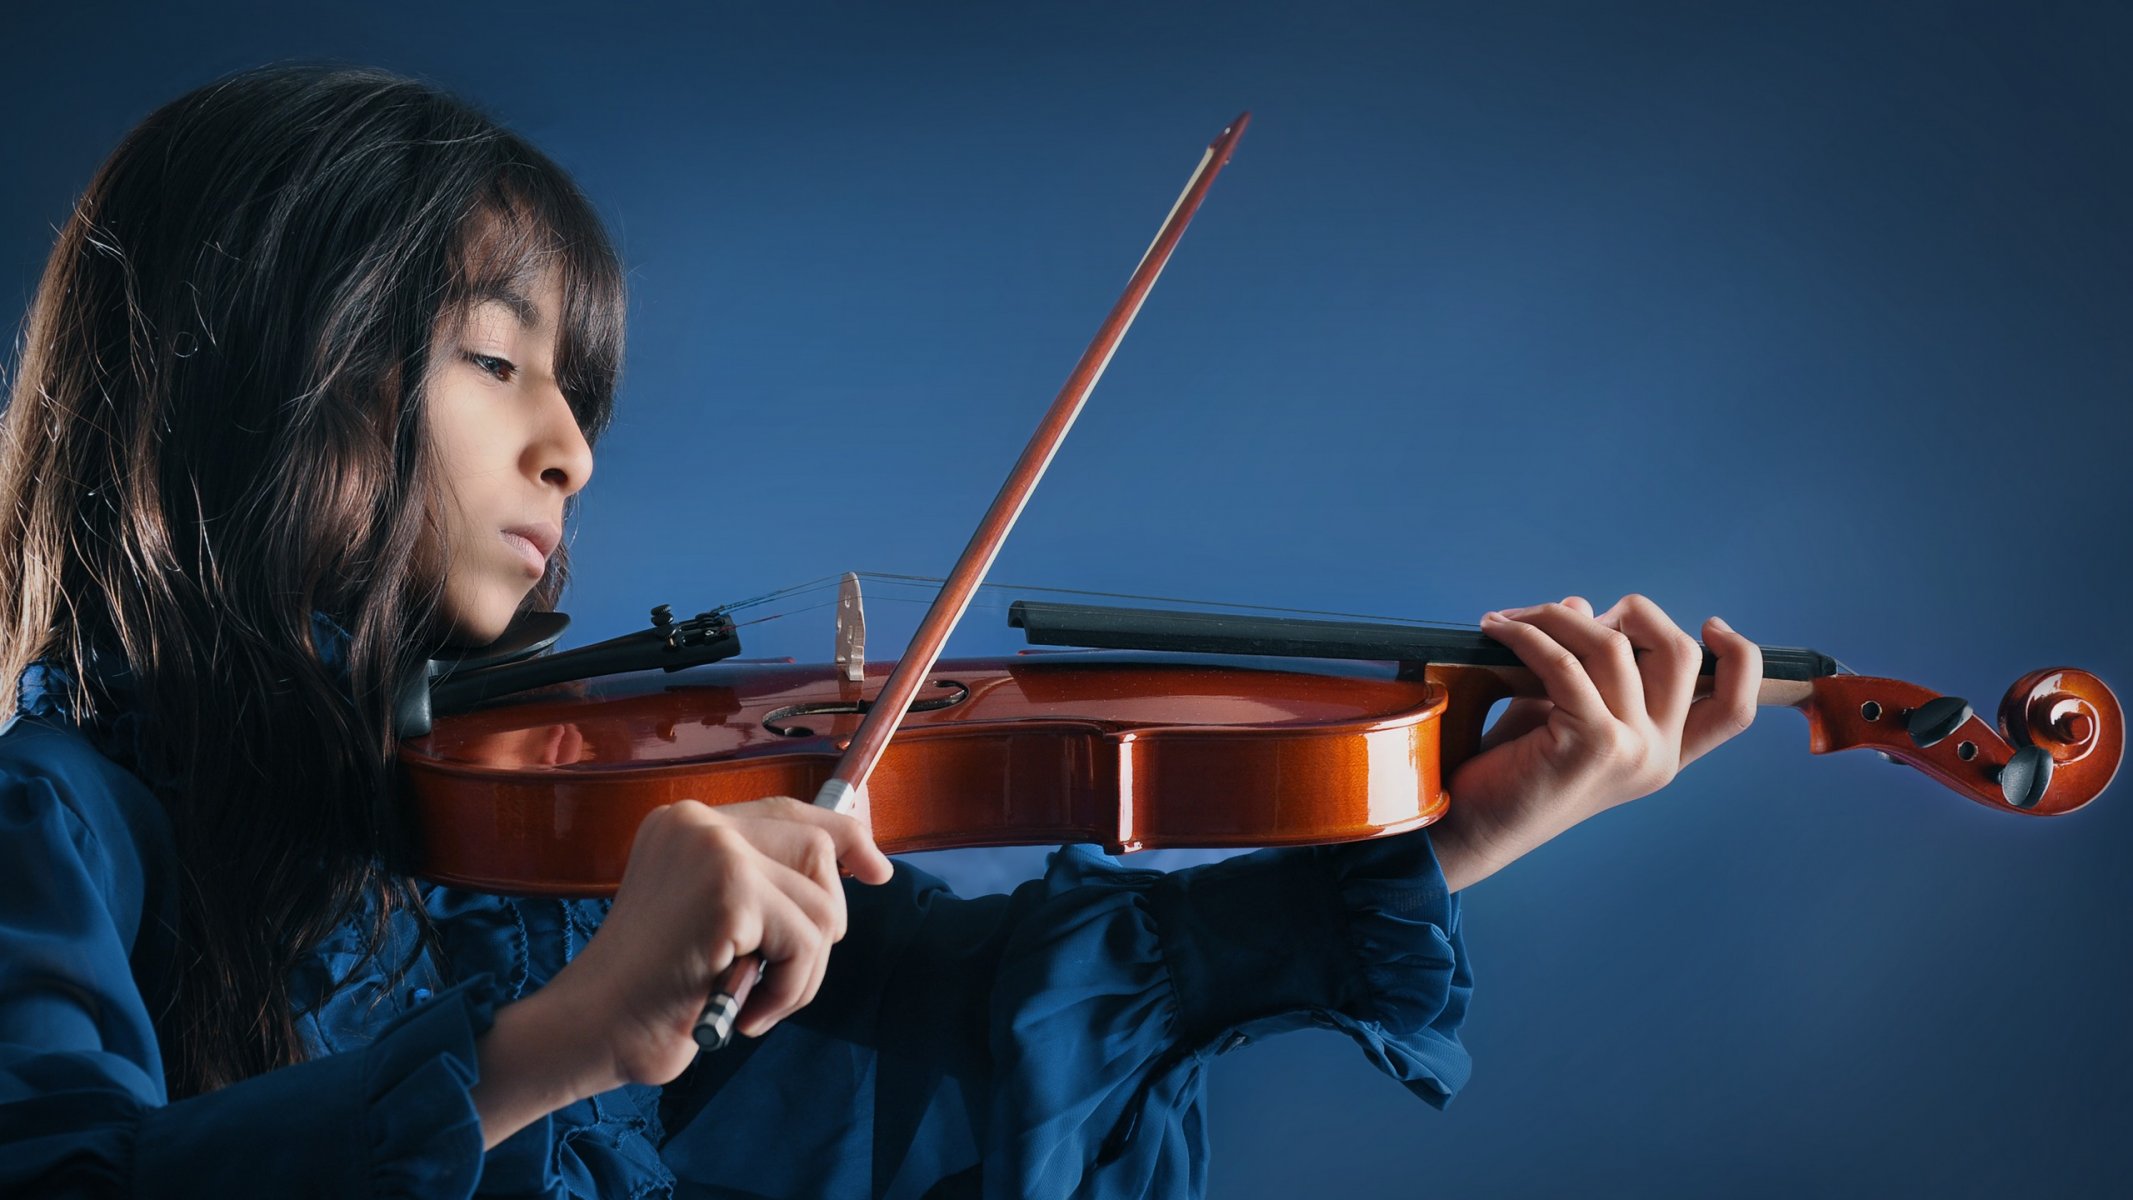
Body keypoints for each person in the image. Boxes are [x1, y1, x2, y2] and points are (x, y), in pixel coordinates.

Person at [0, 65, 1762, 1198]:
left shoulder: (500, 843)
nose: (573, 444)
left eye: (581, 389)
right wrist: (566, 1037)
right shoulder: (56, 822)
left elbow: (953, 1042)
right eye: (497, 360)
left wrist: (1452, 835)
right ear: (261, 366)